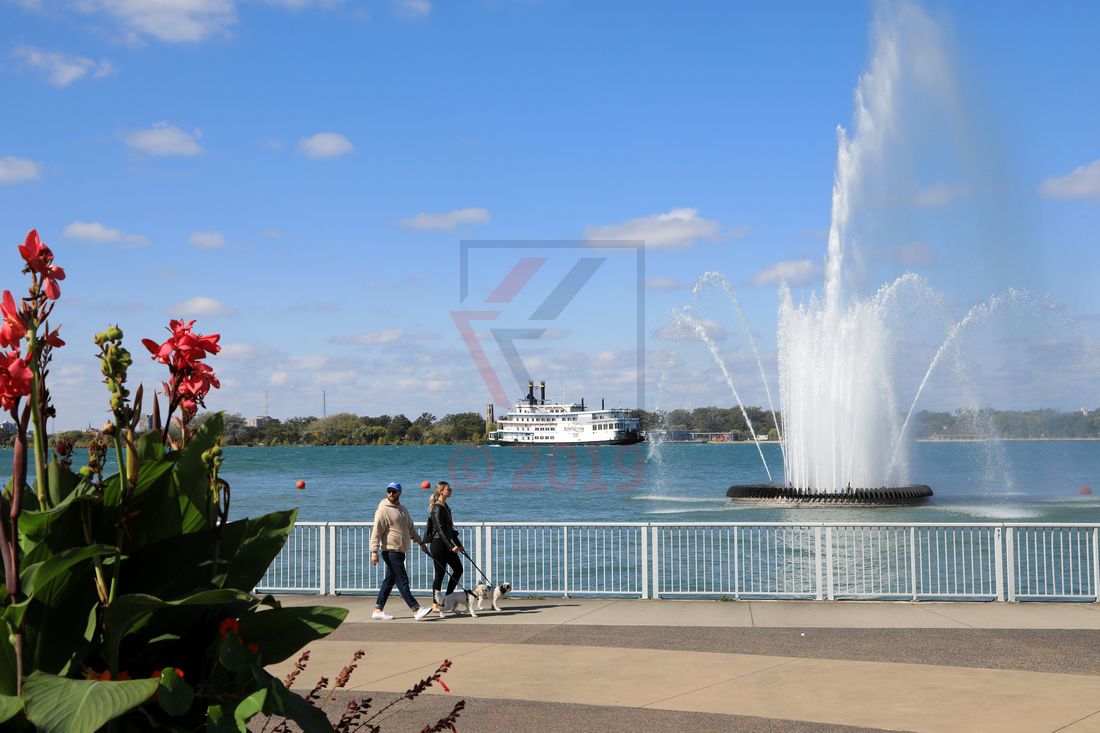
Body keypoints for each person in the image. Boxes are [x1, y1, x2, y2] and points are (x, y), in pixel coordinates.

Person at [370, 482, 431, 621]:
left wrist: (420, 542)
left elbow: (410, 529)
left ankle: (378, 610)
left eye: (394, 491)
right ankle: (416, 609)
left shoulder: (402, 509)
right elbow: (376, 532)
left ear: (399, 493)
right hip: (390, 550)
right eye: (389, 491)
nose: (391, 493)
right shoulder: (383, 510)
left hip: (400, 550)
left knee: (389, 581)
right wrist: (374, 551)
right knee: (402, 580)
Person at [427, 481, 465, 613]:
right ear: (442, 491)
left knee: (458, 569)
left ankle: (448, 598)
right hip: (438, 545)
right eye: (449, 489)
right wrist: (451, 546)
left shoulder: (445, 506)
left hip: (446, 545)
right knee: (440, 574)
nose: (451, 490)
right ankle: (435, 604)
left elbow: (450, 530)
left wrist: (458, 544)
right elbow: (440, 529)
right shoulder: (437, 508)